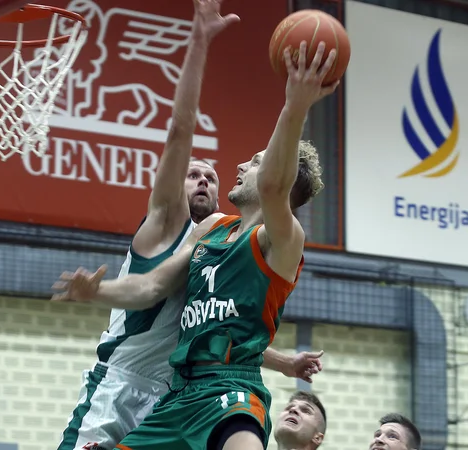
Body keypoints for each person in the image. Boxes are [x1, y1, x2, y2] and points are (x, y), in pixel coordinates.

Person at [56, 2, 324, 449]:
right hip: (154, 389)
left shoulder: (260, 233)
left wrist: (293, 106)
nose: (232, 166)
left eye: (254, 162)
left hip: (210, 390)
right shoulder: (186, 229)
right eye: (192, 173)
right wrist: (95, 291)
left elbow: (275, 190)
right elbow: (153, 288)